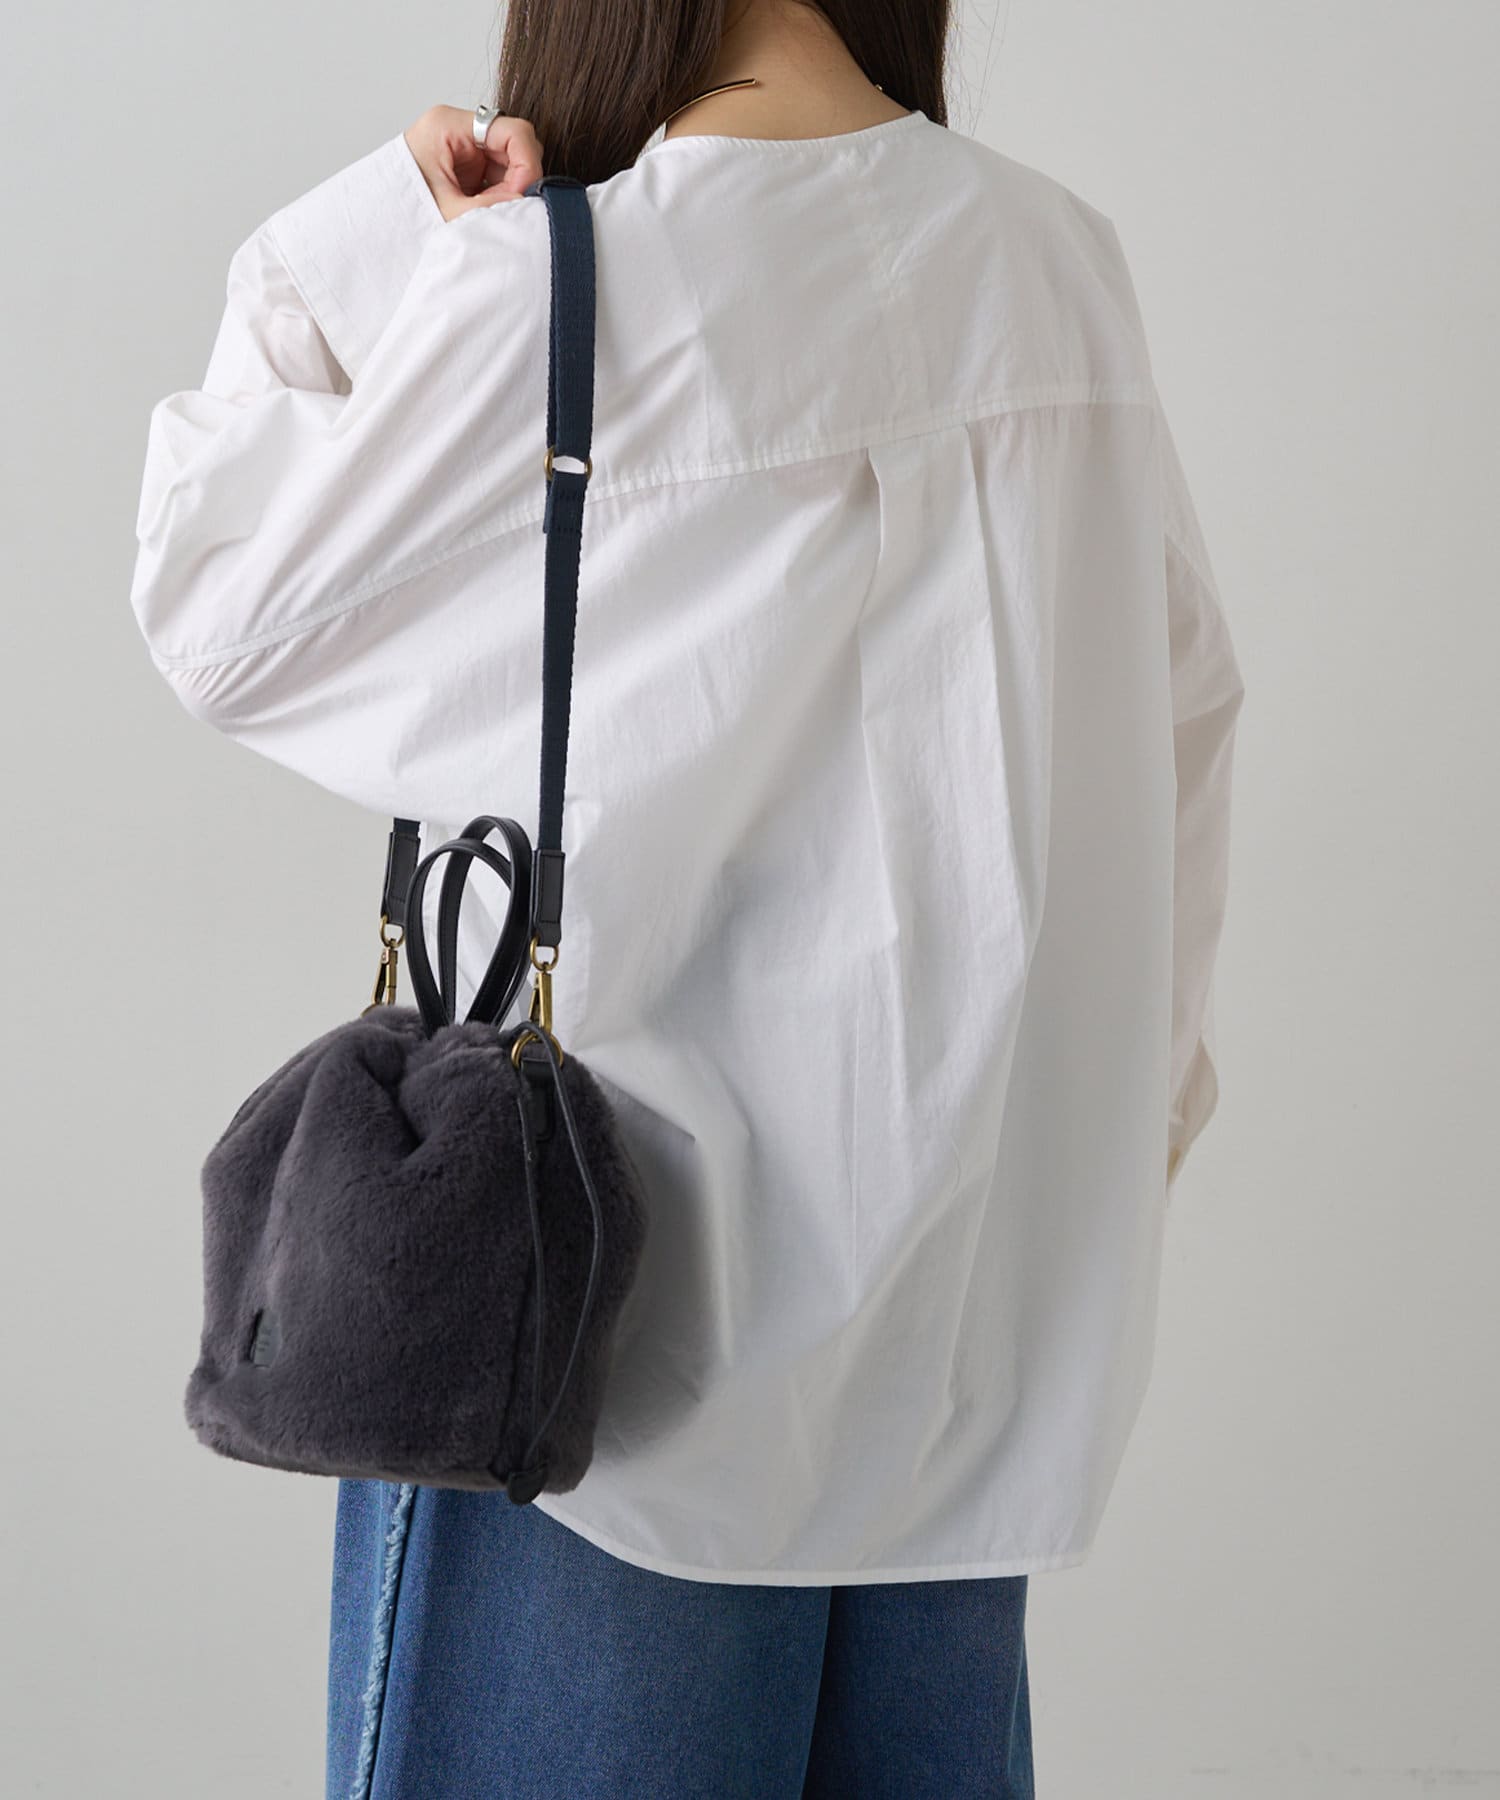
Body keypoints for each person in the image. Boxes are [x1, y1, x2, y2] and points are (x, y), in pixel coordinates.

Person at [128, 0, 1245, 1792]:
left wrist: (385, 227)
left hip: (583, 1379)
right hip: (961, 1401)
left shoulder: (561, 285)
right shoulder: (1056, 270)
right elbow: (1178, 727)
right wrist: (1115, 1142)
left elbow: (212, 600)